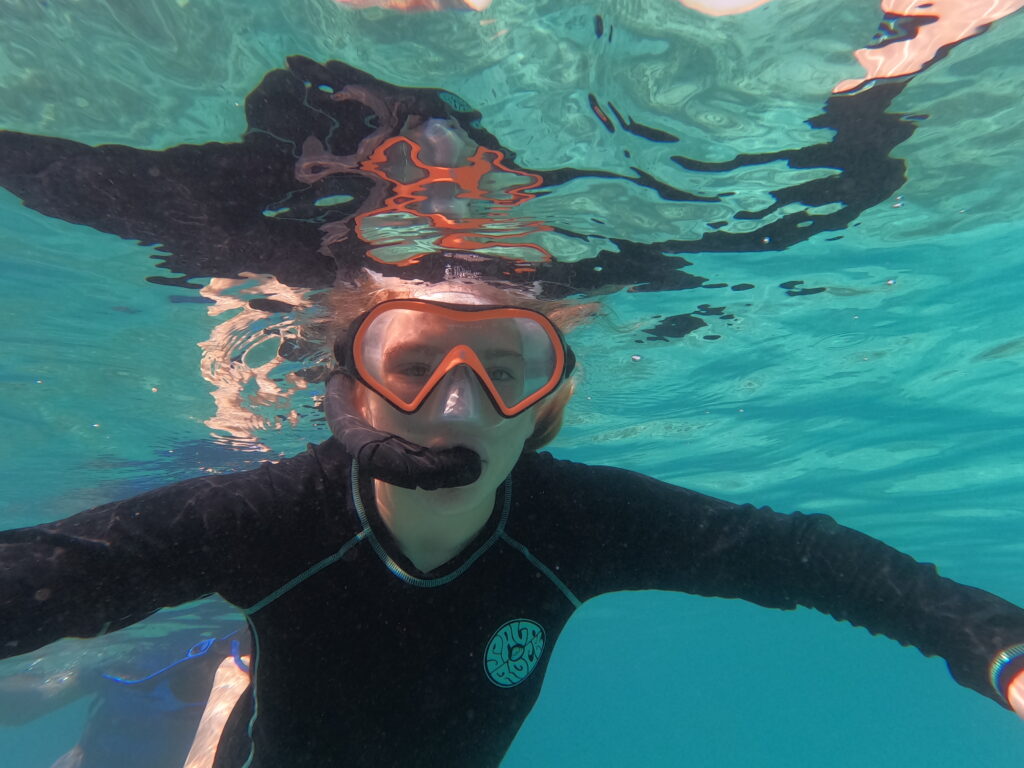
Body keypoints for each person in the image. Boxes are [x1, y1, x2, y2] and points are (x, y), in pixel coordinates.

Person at [2, 271, 1024, 768]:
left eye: (506, 370)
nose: (458, 405)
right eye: (412, 366)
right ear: (349, 394)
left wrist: (1001, 649)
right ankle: (209, 685)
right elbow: (61, 570)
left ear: (549, 401)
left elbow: (799, 557)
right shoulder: (269, 520)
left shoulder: (576, 521)